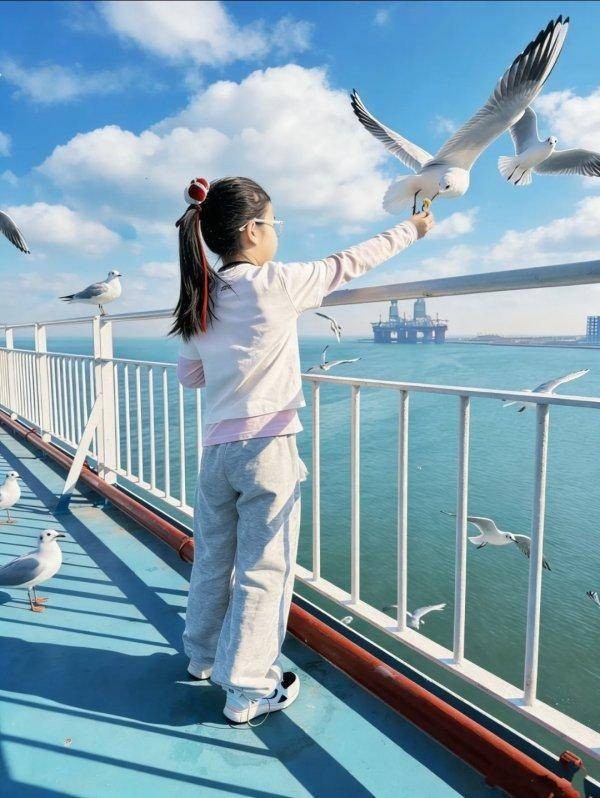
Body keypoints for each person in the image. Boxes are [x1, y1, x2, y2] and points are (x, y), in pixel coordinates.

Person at [173, 176, 434, 724]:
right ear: (252, 230)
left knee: (214, 557)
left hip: (216, 453)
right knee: (264, 569)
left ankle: (201, 655)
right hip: (266, 450)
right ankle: (246, 689)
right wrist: (413, 228)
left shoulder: (201, 295)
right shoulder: (277, 284)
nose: (278, 234)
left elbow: (192, 377)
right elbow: (351, 261)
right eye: (275, 224)